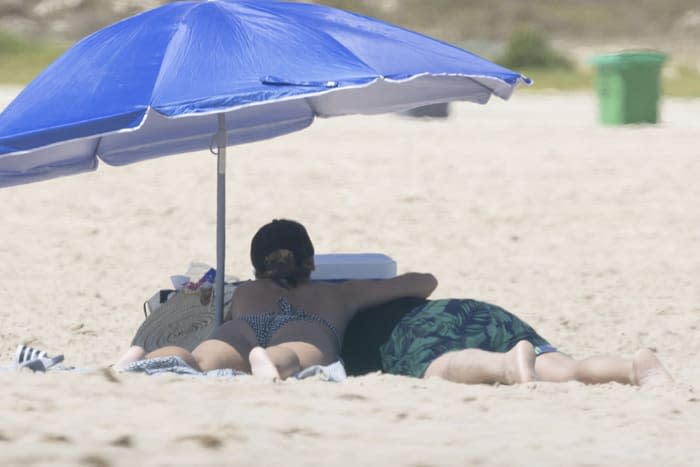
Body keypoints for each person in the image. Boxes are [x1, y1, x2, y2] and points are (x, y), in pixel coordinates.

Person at [115, 219, 437, 379]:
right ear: (311, 261)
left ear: (257, 268)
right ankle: (267, 362)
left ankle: (142, 356)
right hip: (307, 327)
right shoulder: (339, 292)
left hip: (243, 327)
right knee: (290, 355)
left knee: (197, 360)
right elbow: (425, 282)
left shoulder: (245, 291)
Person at [345, 298, 673, 387]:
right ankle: (634, 368)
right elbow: (426, 281)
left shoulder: (320, 310)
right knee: (564, 369)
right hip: (468, 311)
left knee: (443, 367)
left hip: (413, 335)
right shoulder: (367, 286)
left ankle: (505, 365)